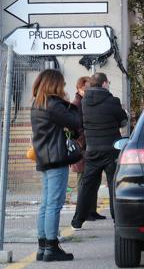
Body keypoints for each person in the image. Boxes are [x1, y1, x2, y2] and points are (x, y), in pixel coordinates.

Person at [31, 69, 80, 261]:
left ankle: (43, 247)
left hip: (44, 157)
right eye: (62, 84)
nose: (64, 87)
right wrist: (67, 101)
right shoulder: (54, 104)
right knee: (54, 204)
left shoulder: (37, 103)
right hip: (56, 158)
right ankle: (52, 247)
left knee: (45, 203)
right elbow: (75, 121)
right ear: (55, 85)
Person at [71, 73, 127, 230]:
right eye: (108, 82)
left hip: (92, 150)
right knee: (113, 185)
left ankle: (77, 221)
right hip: (111, 150)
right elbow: (123, 122)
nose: (108, 85)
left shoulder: (84, 103)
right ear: (103, 84)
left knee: (86, 186)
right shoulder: (113, 101)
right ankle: (118, 220)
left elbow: (79, 123)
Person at [70, 76, 105, 221]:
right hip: (82, 148)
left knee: (93, 181)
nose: (86, 91)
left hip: (88, 147)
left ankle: (92, 210)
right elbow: (76, 127)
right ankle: (83, 213)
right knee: (83, 183)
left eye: (88, 88)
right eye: (84, 88)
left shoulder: (86, 102)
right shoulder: (77, 104)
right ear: (79, 89)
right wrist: (84, 140)